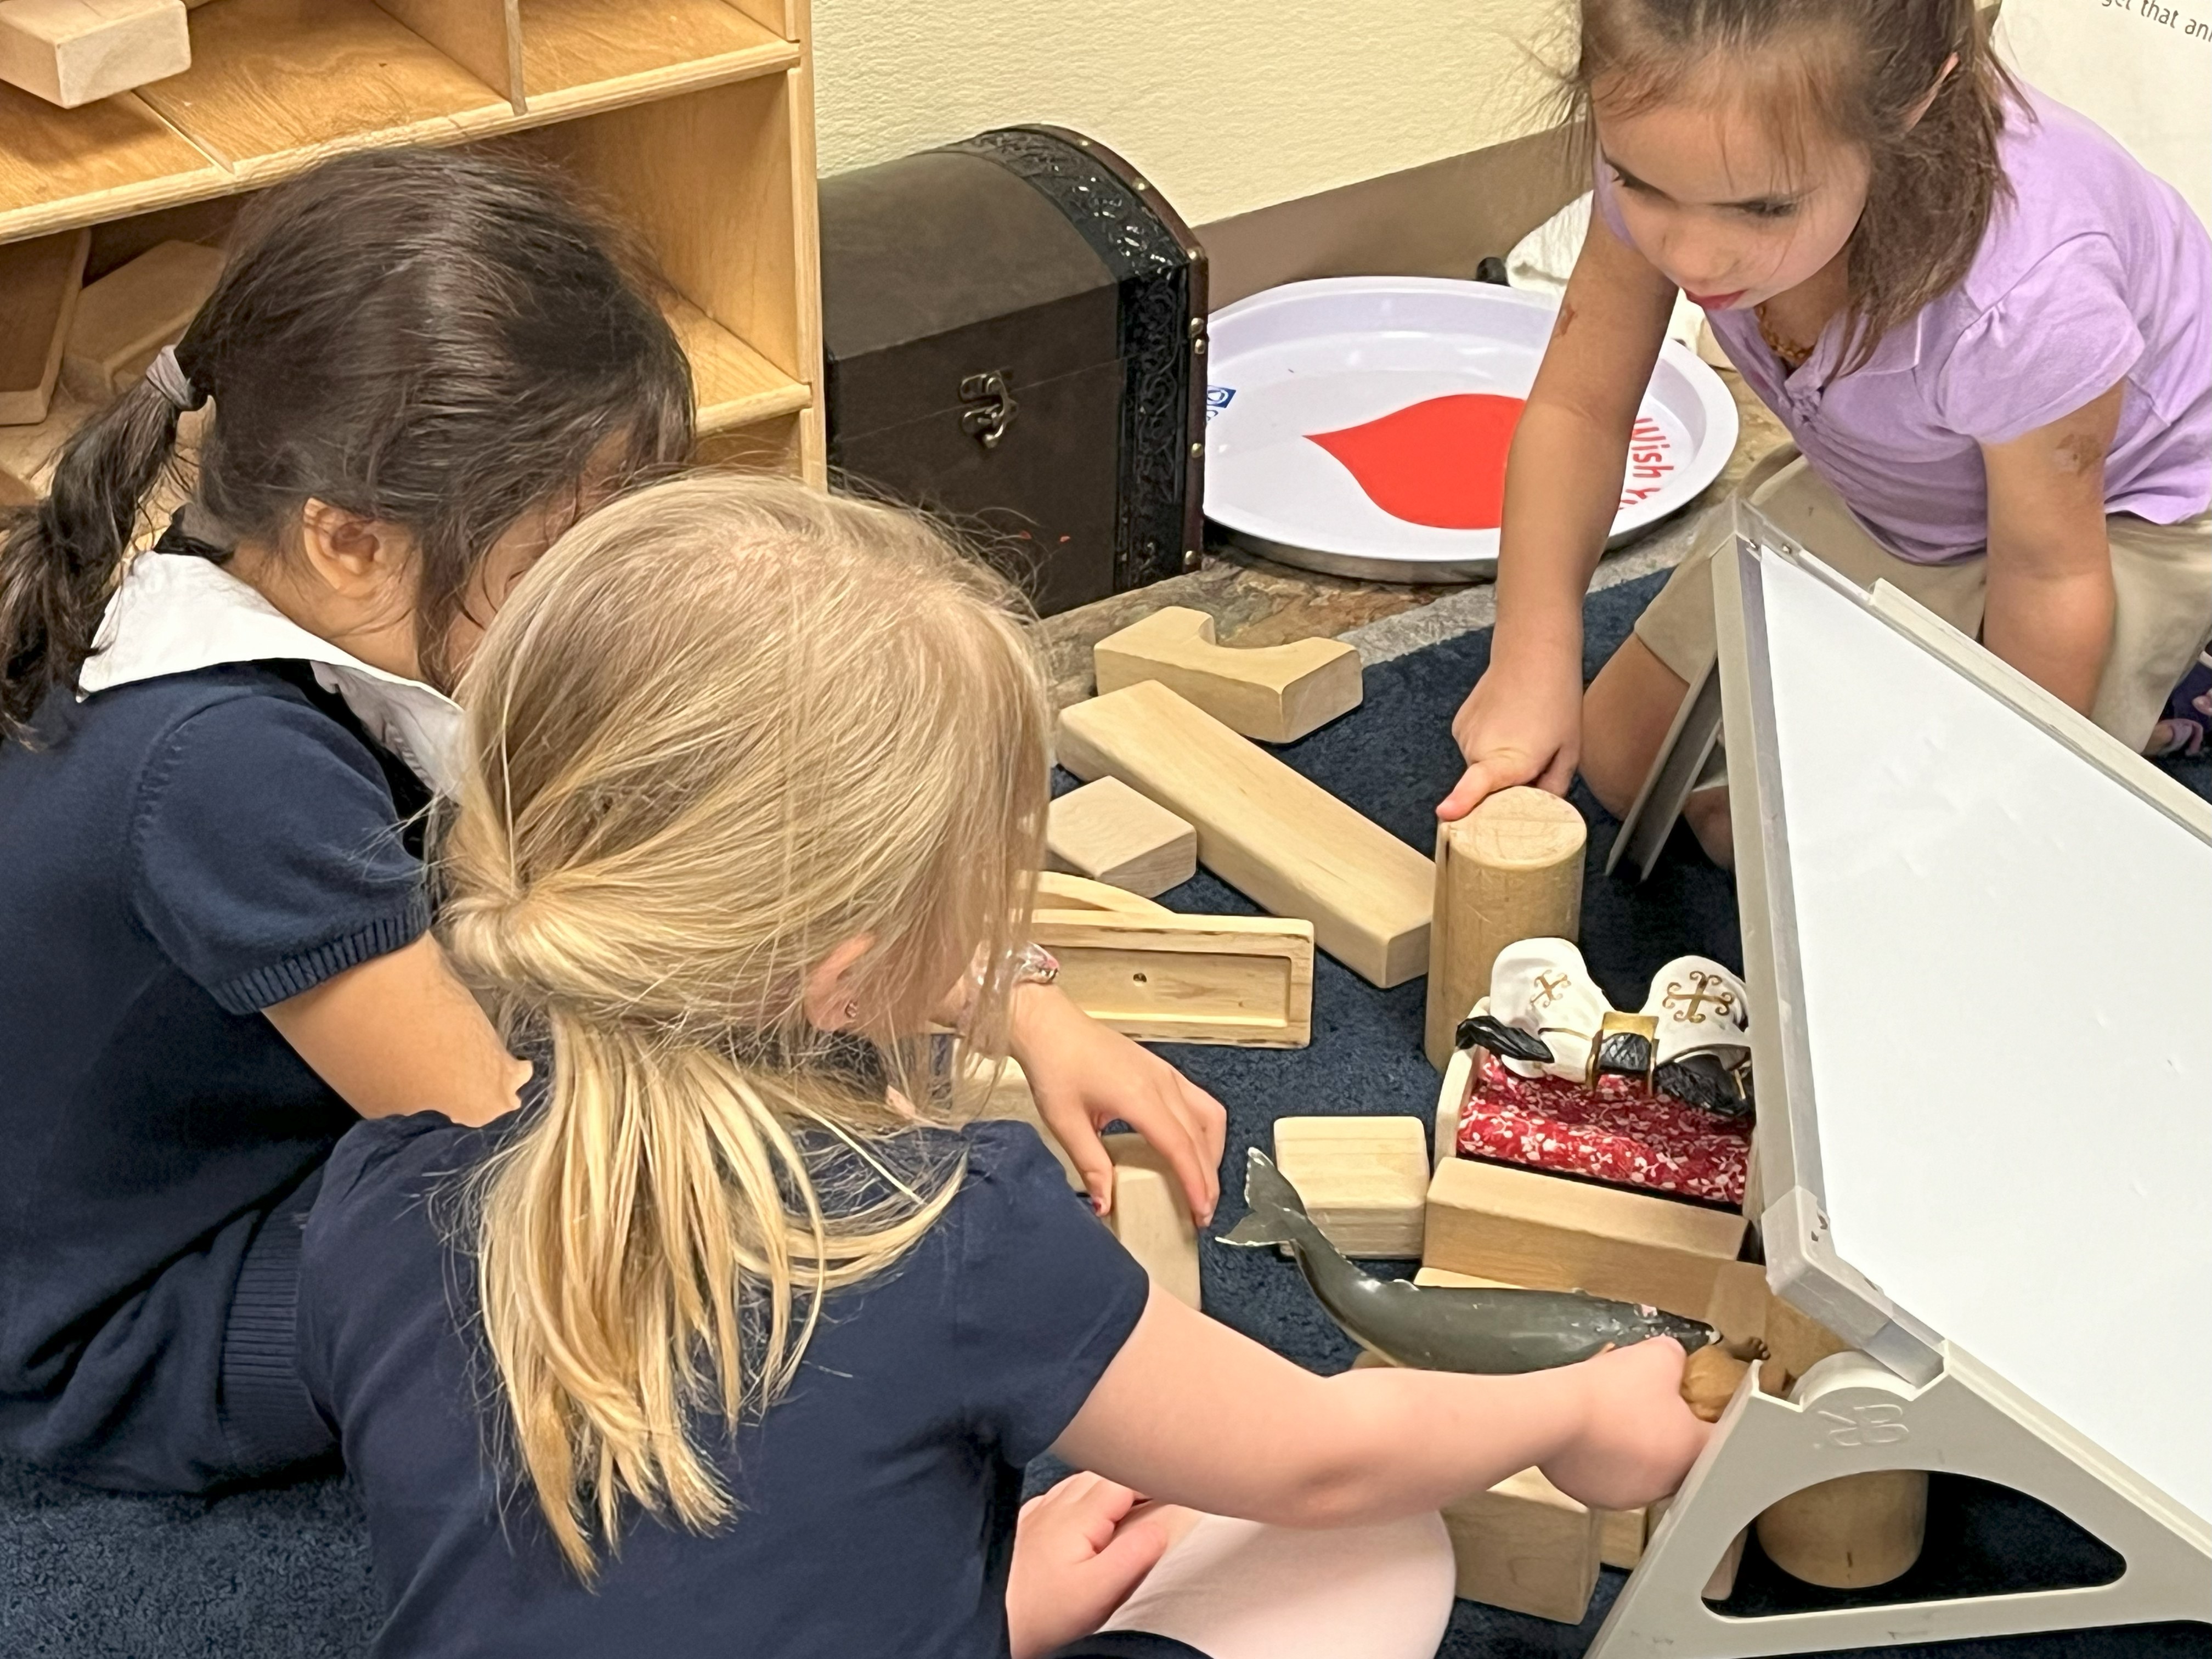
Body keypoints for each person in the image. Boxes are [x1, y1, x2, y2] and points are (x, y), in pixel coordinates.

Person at [298, 473, 1712, 1659]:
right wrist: (1579, 1406)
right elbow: (1322, 1456)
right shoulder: (952, 1235)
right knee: (1378, 1554)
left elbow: (652, 1578)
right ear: (854, 976)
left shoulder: (372, 1202)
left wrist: (975, 1607)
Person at [0, 150, 1218, 1497]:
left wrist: (1008, 997)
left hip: (290, 1136)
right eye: (552, 559)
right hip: (146, 1326)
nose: (592, 598)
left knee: (719, 1044)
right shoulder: (229, 768)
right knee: (705, 1199)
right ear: (352, 540)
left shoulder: (284, 590)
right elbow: (508, 1146)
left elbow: (666, 870)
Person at [1440, 0, 2211, 862]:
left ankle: (2175, 678)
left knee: (1883, 863)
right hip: (1903, 471)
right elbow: (1580, 409)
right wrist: (1530, 654)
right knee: (1627, 764)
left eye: (1763, 208)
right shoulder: (1677, 136)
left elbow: (2050, 571)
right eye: (1640, 185)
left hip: (2120, 512)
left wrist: (1995, 790)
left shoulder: (2026, 300)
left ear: (1915, 106)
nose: (1691, 256)